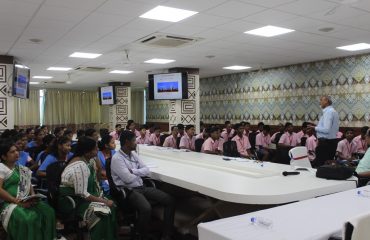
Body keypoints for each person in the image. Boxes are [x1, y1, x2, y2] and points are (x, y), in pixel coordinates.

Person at [111, 131, 175, 240]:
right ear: (127, 142)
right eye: (134, 141)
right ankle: (140, 235)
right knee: (146, 208)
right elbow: (127, 179)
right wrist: (137, 172)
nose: (136, 143)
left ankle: (166, 234)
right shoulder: (117, 158)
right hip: (129, 191)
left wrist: (133, 171)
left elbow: (146, 170)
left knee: (169, 200)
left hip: (142, 187)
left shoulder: (133, 154)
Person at [59, 137, 117, 240]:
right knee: (103, 212)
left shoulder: (85, 160)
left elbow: (97, 177)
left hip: (78, 197)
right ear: (87, 152)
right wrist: (103, 201)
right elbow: (83, 194)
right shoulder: (80, 166)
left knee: (111, 206)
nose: (98, 150)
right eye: (95, 149)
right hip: (71, 202)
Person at [0, 140, 56, 240]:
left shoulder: (21, 168)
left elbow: (28, 184)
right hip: (10, 202)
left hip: (26, 200)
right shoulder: (1, 168)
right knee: (27, 218)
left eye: (16, 150)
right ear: (4, 156)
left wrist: (33, 196)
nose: (17, 153)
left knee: (48, 212)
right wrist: (16, 201)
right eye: (12, 152)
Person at [308, 96, 339, 167]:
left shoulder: (328, 112)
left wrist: (314, 128)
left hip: (325, 144)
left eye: (321, 100)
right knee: (328, 166)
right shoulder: (334, 111)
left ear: (326, 101)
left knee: (321, 166)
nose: (320, 102)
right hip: (332, 142)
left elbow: (326, 130)